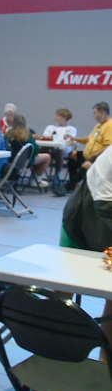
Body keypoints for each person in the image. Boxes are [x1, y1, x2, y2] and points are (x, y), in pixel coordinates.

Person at [60, 146, 112, 355]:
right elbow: (104, 205)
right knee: (63, 288)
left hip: (96, 205)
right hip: (89, 213)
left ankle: (104, 370)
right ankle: (51, 351)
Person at [58, 101, 112, 196]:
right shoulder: (99, 125)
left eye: (95, 113)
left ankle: (67, 186)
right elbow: (89, 139)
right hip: (90, 155)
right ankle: (74, 185)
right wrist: (75, 138)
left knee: (86, 165)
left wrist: (93, 155)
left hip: (100, 157)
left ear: (102, 112)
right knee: (72, 155)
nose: (93, 116)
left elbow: (109, 146)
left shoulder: (109, 125)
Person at [5, 114, 50, 184]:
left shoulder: (8, 133)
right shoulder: (27, 135)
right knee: (47, 157)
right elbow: (35, 149)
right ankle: (36, 179)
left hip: (11, 159)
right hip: (25, 161)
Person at [43, 108, 76, 187]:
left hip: (64, 150)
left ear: (65, 118)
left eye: (58, 116)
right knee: (43, 149)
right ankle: (37, 176)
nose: (56, 117)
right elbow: (45, 138)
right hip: (51, 149)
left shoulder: (71, 129)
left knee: (61, 151)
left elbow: (69, 140)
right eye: (56, 115)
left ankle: (57, 175)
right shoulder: (50, 127)